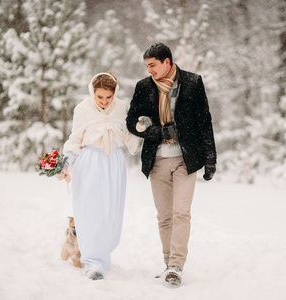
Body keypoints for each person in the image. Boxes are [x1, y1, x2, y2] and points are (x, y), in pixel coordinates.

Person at [126, 43, 217, 286]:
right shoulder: (143, 87)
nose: (150, 71)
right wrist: (154, 130)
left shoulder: (192, 82)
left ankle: (176, 264)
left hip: (186, 159)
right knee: (165, 216)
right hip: (156, 160)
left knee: (181, 213)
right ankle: (169, 265)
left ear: (167, 62)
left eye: (153, 65)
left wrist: (210, 159)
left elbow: (204, 122)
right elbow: (131, 122)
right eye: (147, 66)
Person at [61, 72, 142, 280]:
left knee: (110, 212)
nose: (105, 102)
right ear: (93, 93)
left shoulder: (122, 108)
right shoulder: (83, 109)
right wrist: (65, 163)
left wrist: (141, 129)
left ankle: (102, 254)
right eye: (100, 97)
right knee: (90, 211)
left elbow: (128, 135)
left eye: (109, 97)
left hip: (113, 164)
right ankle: (92, 262)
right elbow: (75, 138)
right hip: (89, 162)